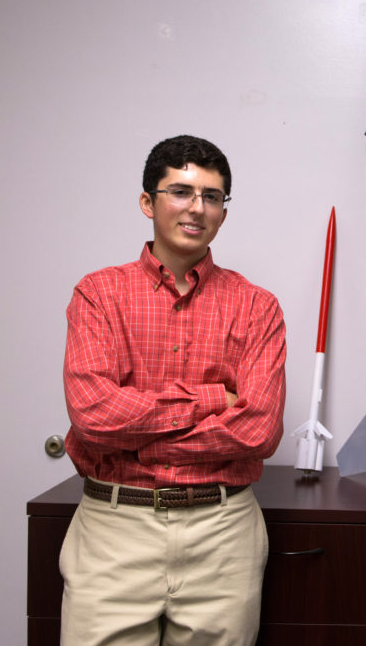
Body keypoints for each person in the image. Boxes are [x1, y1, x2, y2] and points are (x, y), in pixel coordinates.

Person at [60, 135, 286, 645]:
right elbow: (93, 415)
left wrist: (132, 433)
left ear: (223, 211)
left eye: (212, 196)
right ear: (148, 202)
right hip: (115, 530)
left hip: (222, 532)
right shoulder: (98, 294)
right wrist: (210, 401)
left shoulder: (258, 307)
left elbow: (258, 432)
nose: (197, 208)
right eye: (181, 191)